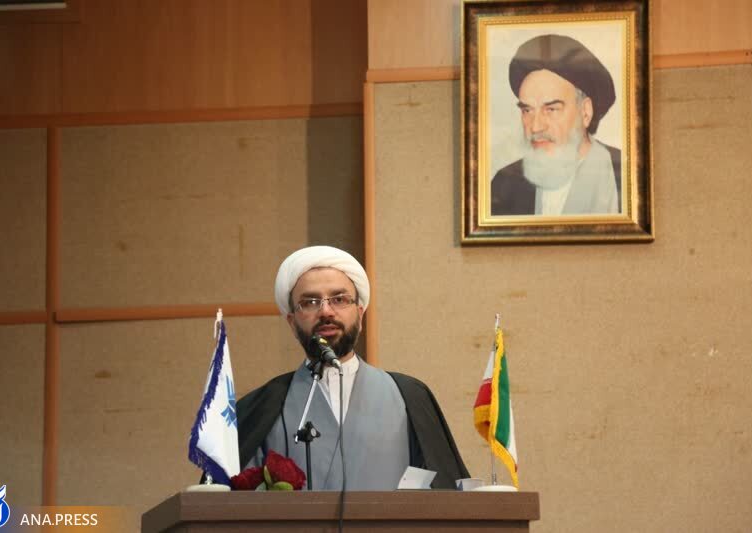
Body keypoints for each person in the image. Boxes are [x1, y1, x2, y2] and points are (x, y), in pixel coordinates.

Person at [234, 245, 469, 490]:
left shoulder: (410, 396)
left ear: (360, 314)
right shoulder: (261, 408)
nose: (326, 311)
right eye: (310, 302)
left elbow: (446, 495)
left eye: (339, 299)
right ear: (292, 323)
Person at [491, 34, 622, 216]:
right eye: (527, 110)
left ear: (585, 112)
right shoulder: (505, 184)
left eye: (551, 109)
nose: (535, 127)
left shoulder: (624, 176)